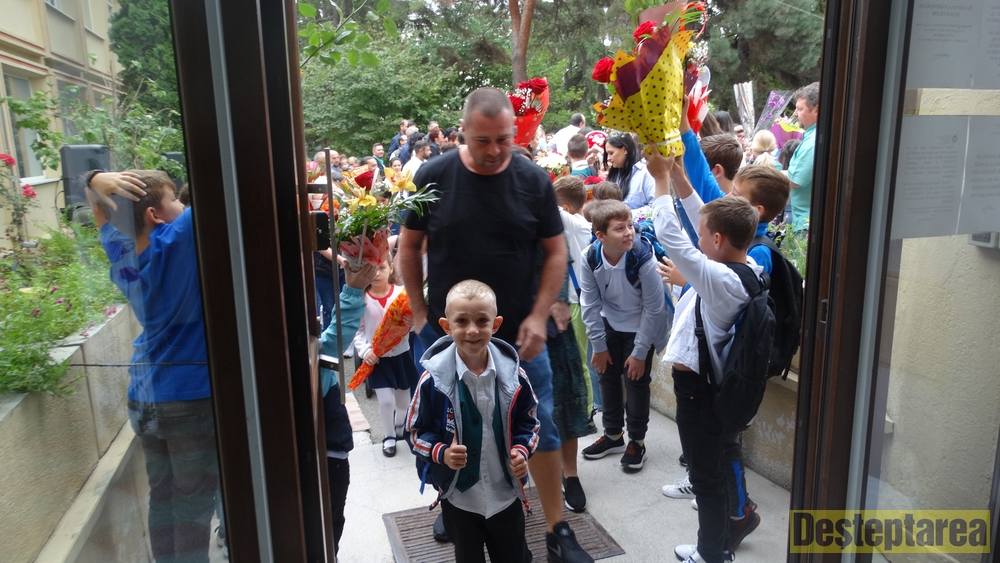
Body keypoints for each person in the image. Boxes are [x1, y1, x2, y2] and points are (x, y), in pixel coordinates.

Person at [399, 87, 593, 563]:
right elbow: (409, 245)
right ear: (463, 132)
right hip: (450, 331)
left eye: (504, 139)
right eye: (483, 140)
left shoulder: (533, 180)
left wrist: (539, 313)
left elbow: (555, 252)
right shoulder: (433, 175)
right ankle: (454, 503)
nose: (494, 150)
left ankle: (557, 529)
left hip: (519, 333)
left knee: (538, 425)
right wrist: (419, 312)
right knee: (450, 423)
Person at [86, 170, 219, 562]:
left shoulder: (120, 249)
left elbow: (100, 210)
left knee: (162, 497)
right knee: (193, 504)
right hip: (188, 397)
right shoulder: (178, 238)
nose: (182, 205)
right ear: (154, 215)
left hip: (145, 395)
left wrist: (94, 179)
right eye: (174, 200)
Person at [648, 151, 762, 563]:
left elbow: (671, 237)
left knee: (706, 479)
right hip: (707, 390)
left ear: (716, 241)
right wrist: (678, 174)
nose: (697, 238)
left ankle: (712, 553)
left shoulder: (720, 278)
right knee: (711, 470)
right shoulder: (745, 265)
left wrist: (660, 181)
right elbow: (705, 217)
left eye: (703, 235)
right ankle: (715, 548)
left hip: (700, 392)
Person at [404, 280, 539, 563]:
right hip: (460, 499)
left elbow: (530, 422)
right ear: (446, 326)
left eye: (482, 321)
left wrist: (521, 450)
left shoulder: (514, 378)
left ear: (496, 324)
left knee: (513, 556)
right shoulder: (432, 381)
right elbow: (414, 431)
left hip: (505, 495)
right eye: (462, 321)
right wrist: (441, 452)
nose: (473, 330)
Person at [579, 199, 668, 472]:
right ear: (601, 236)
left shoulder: (642, 257)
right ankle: (613, 435)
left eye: (630, 226)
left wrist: (640, 352)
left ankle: (637, 442)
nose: (629, 232)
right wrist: (598, 346)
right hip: (609, 322)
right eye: (620, 228)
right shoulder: (590, 257)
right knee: (606, 376)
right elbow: (589, 303)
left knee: (636, 381)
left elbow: (655, 308)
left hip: (642, 326)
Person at [353, 258, 418, 456]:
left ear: (390, 268)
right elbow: (357, 331)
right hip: (377, 359)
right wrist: (365, 351)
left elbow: (413, 326)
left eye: (381, 268)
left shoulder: (401, 294)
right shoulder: (361, 299)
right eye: (371, 269)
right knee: (386, 401)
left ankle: (399, 427)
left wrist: (411, 323)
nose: (377, 273)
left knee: (403, 402)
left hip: (401, 355)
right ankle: (389, 436)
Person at [553, 176, 599, 414]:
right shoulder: (581, 225)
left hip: (577, 301)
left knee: (579, 361)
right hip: (578, 300)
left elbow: (547, 206)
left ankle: (586, 410)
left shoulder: (573, 225)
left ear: (566, 207)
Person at [786, 82, 819, 233]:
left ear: (816, 110)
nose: (795, 113)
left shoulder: (813, 142)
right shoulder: (812, 136)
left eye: (800, 109)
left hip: (805, 224)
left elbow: (795, 181)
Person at [606, 134, 656, 209]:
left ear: (625, 150)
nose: (608, 158)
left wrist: (626, 213)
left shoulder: (645, 173)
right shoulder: (615, 174)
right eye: (607, 154)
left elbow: (655, 206)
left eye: (611, 153)